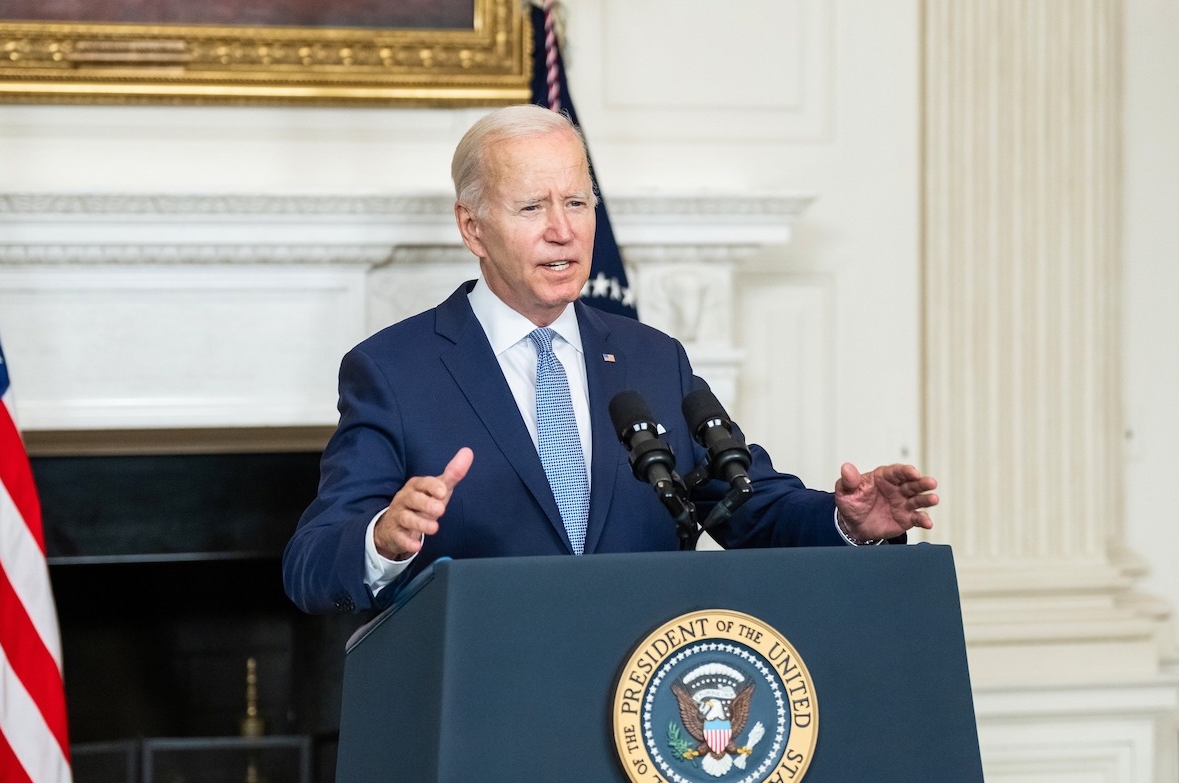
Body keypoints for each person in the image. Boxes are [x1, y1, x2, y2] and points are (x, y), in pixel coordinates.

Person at [283, 104, 937, 615]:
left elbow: (751, 506)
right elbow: (310, 563)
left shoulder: (654, 360)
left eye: (576, 202)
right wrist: (382, 539)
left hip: (643, 720)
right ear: (472, 226)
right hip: (486, 723)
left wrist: (846, 521)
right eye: (532, 206)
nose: (562, 229)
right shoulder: (395, 371)